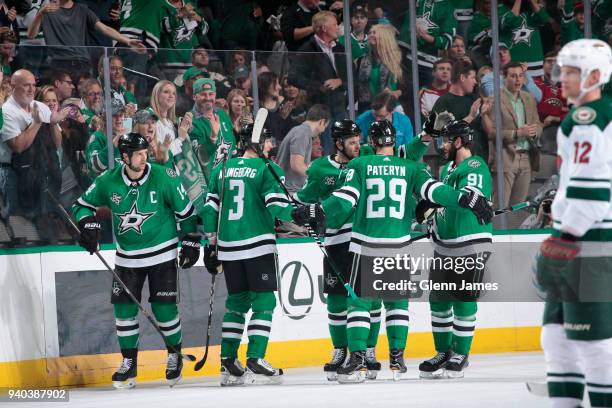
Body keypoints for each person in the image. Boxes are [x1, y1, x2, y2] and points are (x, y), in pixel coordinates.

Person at [291, 119, 494, 383]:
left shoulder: (359, 164)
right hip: (398, 245)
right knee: (396, 303)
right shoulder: (411, 167)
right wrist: (464, 198)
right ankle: (397, 359)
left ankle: (358, 358)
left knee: (361, 304)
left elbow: (345, 200)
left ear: (372, 143)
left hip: (367, 243)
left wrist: (316, 211)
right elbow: (434, 191)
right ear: (394, 143)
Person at [72, 132, 200, 389]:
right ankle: (129, 363)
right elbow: (81, 205)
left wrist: (191, 240)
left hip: (162, 254)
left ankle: (174, 354)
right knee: (124, 311)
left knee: (164, 310)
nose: (144, 157)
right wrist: (88, 224)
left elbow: (186, 213)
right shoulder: (108, 180)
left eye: (145, 152)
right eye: (138, 154)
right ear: (125, 157)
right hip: (127, 258)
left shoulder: (164, 176)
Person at [535, 39, 612, 408]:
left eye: (570, 72)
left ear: (595, 76)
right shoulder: (582, 118)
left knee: (593, 343)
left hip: (590, 242)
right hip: (580, 238)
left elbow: (593, 193)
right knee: (557, 338)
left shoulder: (591, 118)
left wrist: (566, 236)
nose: (561, 78)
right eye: (560, 70)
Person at [202, 124, 293, 386]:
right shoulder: (268, 169)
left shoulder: (222, 169)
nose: (269, 145)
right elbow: (277, 207)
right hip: (257, 246)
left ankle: (228, 362)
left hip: (229, 249)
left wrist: (211, 245)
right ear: (254, 142)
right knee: (264, 303)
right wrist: (301, 214)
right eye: (266, 140)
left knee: (237, 303)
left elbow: (209, 211)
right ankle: (255, 357)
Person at [416, 120, 493, 379]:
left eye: (447, 140)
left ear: (459, 141)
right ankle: (444, 352)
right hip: (445, 245)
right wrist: (431, 216)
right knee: (438, 300)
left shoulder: (475, 165)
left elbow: (468, 197)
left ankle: (461, 353)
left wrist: (436, 201)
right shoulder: (449, 168)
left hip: (469, 243)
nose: (443, 144)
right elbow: (447, 204)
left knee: (463, 299)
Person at [27, 0, 144, 79]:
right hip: (58, 63)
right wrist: (40, 14)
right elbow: (31, 35)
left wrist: (127, 40)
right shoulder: (47, 11)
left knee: (84, 102)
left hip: (82, 64)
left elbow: (104, 29)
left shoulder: (83, 10)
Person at [288, 10, 348, 154]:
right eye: (334, 24)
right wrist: (319, 87)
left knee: (345, 145)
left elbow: (352, 76)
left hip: (341, 106)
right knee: (327, 148)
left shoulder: (340, 48)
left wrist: (340, 81)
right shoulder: (308, 50)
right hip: (321, 108)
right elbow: (293, 77)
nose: (338, 27)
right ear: (324, 28)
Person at [485, 62, 542, 208]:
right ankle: (497, 231)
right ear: (504, 78)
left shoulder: (529, 98)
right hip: (505, 157)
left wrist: (535, 131)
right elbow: (491, 132)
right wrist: (517, 133)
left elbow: (539, 124)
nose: (518, 80)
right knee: (500, 207)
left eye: (521, 76)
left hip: (527, 157)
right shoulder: (494, 99)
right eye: (513, 76)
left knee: (519, 208)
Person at [188, 78, 236, 184]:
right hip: (208, 184)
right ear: (194, 96)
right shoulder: (190, 120)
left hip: (229, 180)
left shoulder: (222, 115)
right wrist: (213, 138)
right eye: (203, 94)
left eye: (211, 94)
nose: (208, 98)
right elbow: (201, 157)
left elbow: (233, 150)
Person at [275, 104, 330, 193]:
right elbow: (297, 165)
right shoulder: (302, 133)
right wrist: (320, 177)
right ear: (322, 122)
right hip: (289, 192)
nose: (323, 131)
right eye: (325, 127)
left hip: (289, 190)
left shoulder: (300, 131)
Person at [356, 24, 403, 114]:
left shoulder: (398, 58)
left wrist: (397, 93)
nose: (371, 35)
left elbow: (407, 87)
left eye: (374, 32)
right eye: (369, 33)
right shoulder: (361, 60)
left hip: (392, 107)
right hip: (368, 107)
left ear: (385, 36)